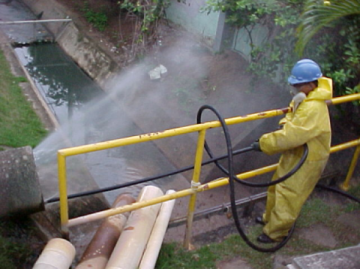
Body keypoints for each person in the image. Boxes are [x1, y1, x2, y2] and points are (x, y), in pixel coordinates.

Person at [252, 59, 333, 243]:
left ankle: (275, 232)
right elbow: (292, 121)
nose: (294, 88)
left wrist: (264, 144)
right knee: (277, 186)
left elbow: (291, 136)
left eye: (298, 84)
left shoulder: (312, 107)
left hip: (309, 159)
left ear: (311, 84)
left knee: (289, 194)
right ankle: (268, 218)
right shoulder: (308, 99)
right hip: (296, 154)